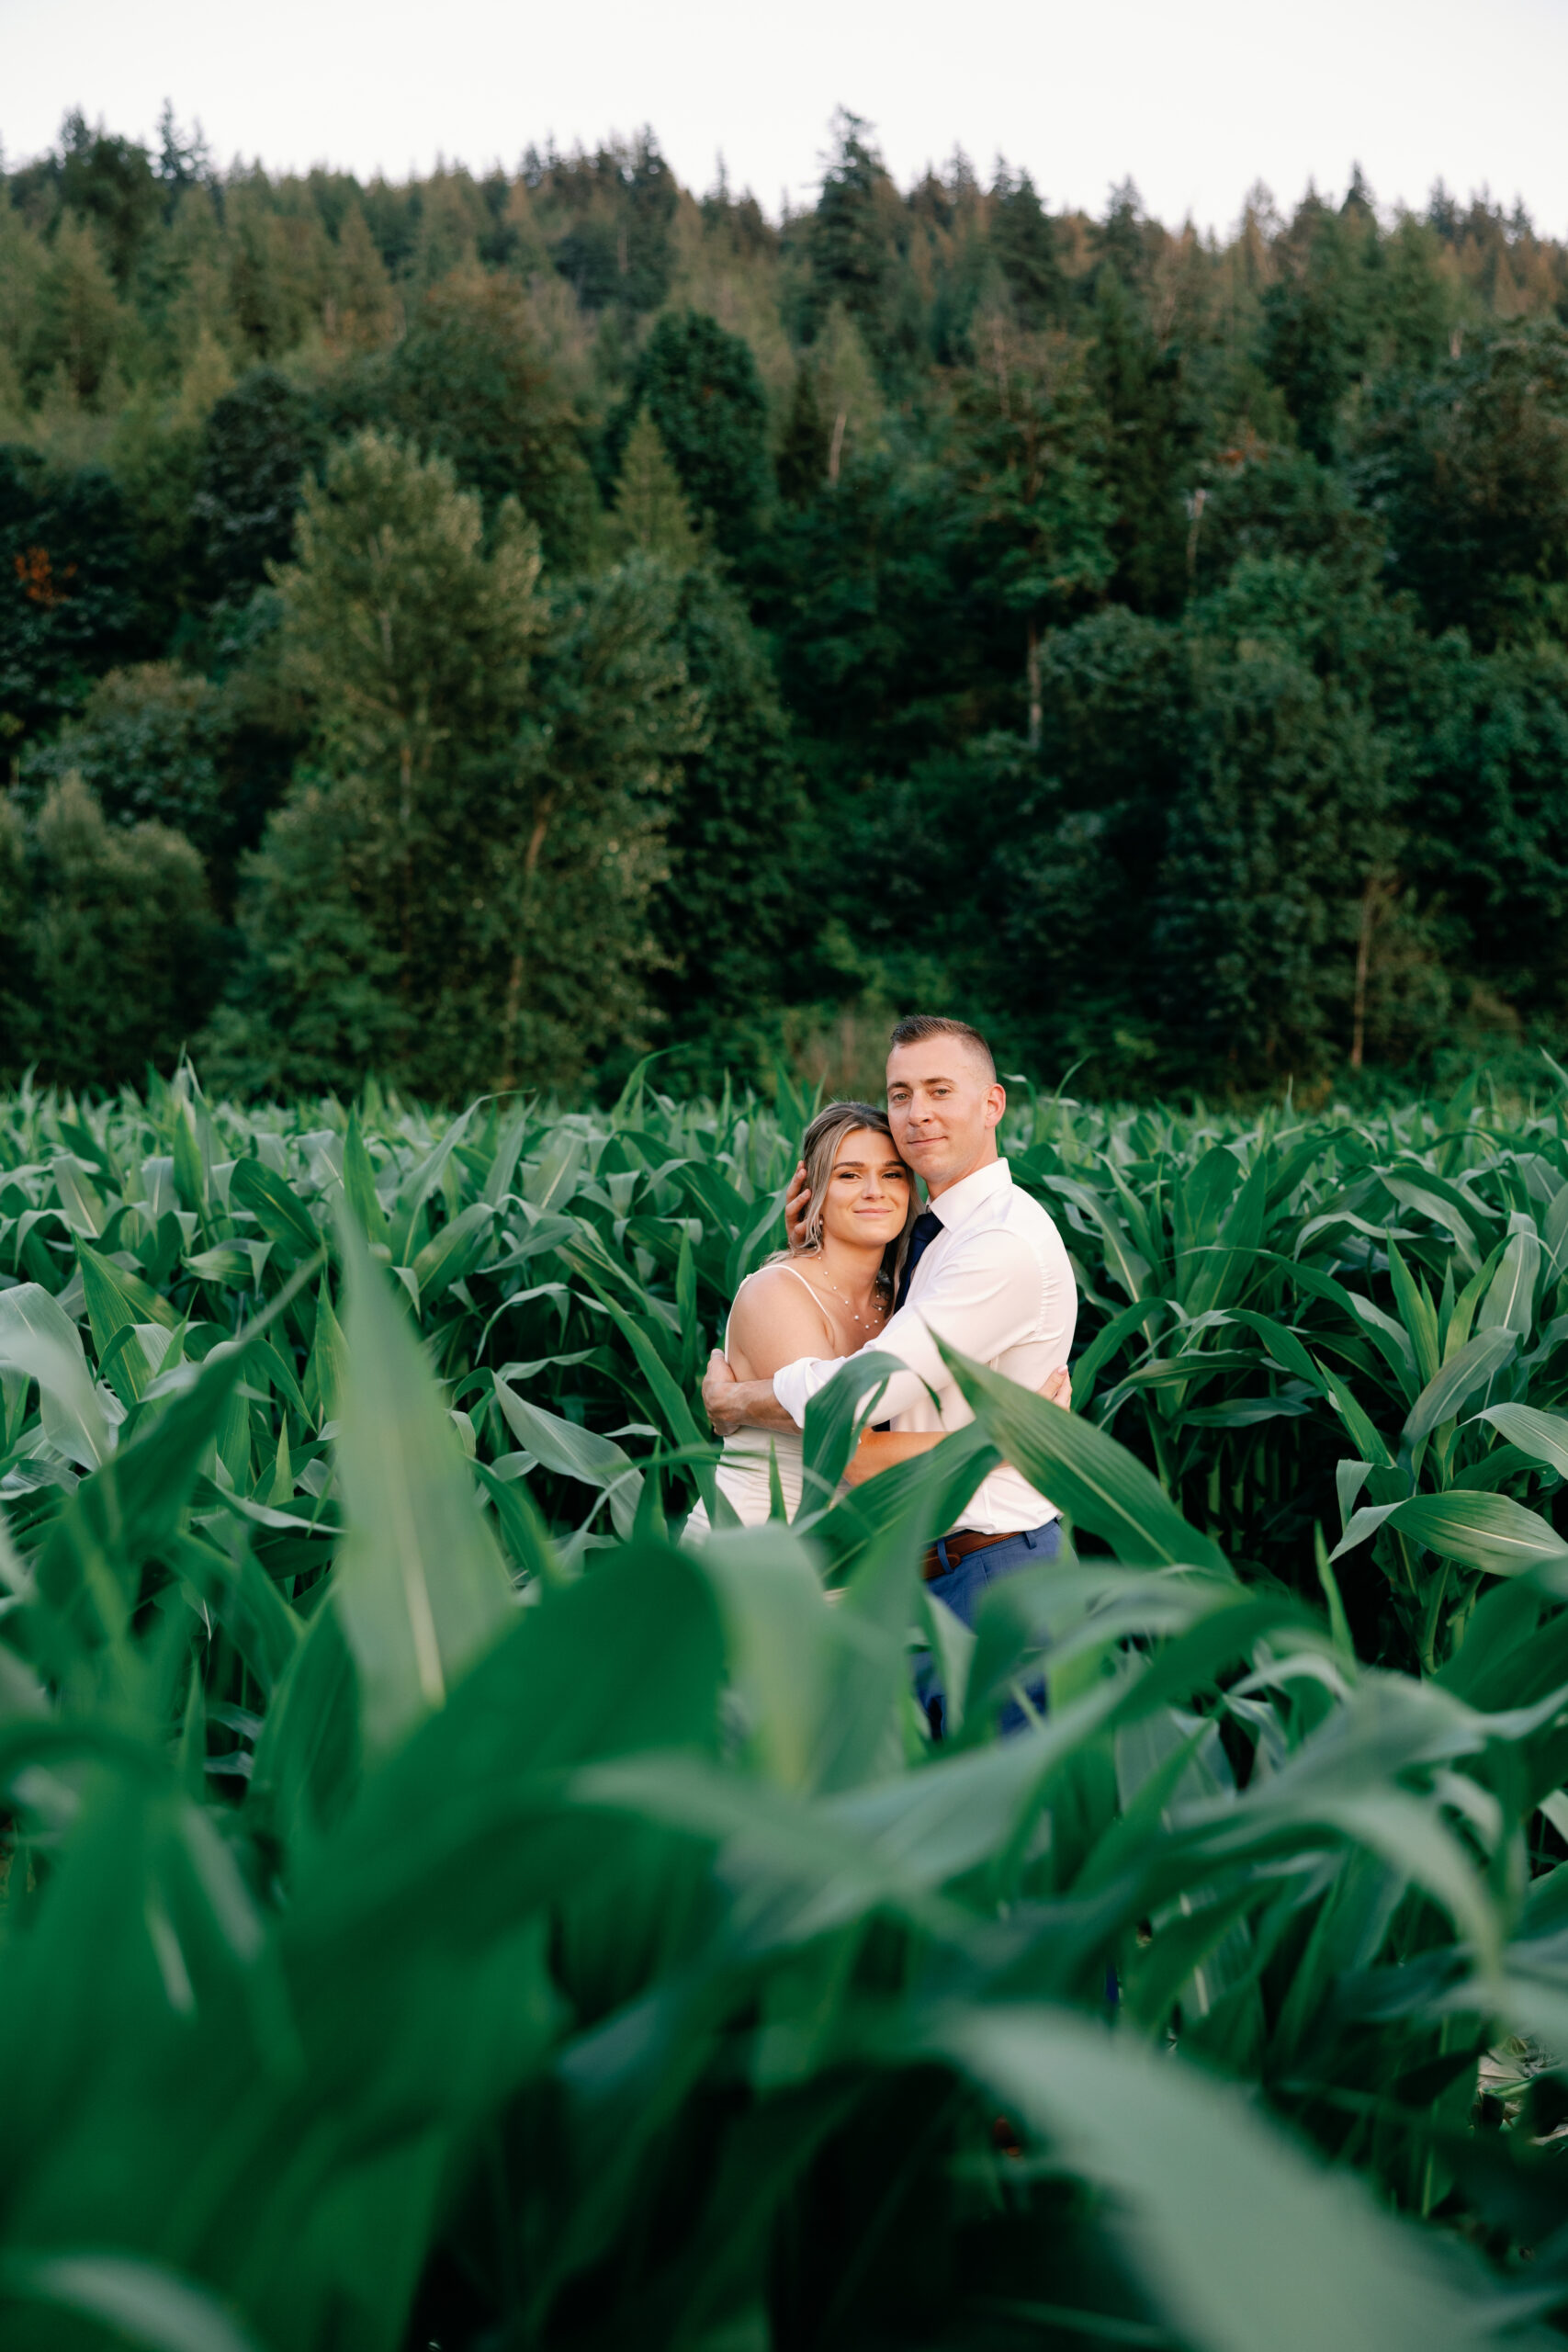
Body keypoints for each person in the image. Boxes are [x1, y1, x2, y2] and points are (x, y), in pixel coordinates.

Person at [702, 1013, 1077, 1728]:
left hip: (987, 1569)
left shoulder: (994, 1243)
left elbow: (861, 1403)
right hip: (877, 1569)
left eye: (940, 1090)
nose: (917, 1113)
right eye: (900, 1093)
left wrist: (743, 1399)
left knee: (999, 1817)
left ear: (992, 1104)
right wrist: (815, 1257)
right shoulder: (930, 1242)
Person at [683, 1100, 916, 1534]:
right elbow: (846, 1447)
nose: (874, 1191)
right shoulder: (778, 1293)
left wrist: (732, 1400)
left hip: (853, 1559)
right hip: (756, 1554)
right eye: (849, 1175)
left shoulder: (904, 1298)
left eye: (891, 1174)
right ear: (812, 1191)